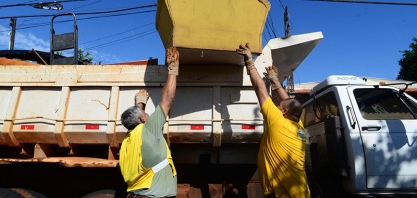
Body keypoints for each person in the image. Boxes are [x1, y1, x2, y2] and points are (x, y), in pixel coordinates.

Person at [236, 43, 310, 198]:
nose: (276, 105)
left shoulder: (277, 121)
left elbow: (260, 89)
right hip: (300, 191)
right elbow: (289, 101)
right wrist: (275, 81)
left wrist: (250, 62)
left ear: (284, 112)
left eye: (279, 106)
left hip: (285, 194)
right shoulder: (299, 126)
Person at [119, 46, 180, 198]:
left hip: (137, 194)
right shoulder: (150, 130)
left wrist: (140, 103)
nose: (148, 115)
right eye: (145, 113)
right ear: (142, 119)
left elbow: (136, 120)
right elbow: (167, 99)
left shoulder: (129, 138)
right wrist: (173, 68)